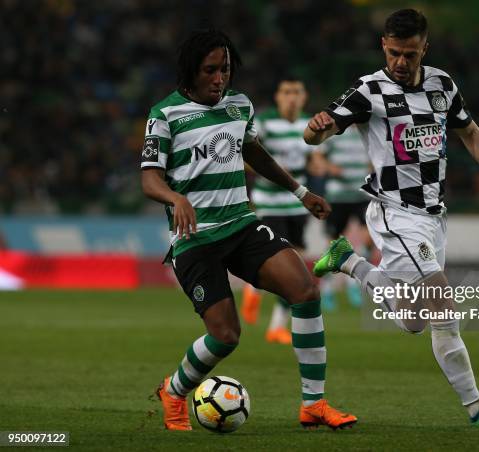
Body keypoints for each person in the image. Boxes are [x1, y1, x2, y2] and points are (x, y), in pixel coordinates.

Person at [304, 9, 479, 429]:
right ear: (383, 47)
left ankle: (348, 261)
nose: (401, 63)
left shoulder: (442, 84)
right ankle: (478, 408)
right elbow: (318, 131)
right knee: (444, 307)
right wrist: (316, 129)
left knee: (411, 320)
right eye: (393, 53)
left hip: (432, 217)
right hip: (394, 213)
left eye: (409, 54)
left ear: (425, 47)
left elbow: (470, 133)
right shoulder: (369, 90)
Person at [141, 29, 356, 431]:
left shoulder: (239, 105)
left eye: (225, 69)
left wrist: (300, 190)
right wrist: (176, 198)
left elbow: (253, 151)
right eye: (211, 70)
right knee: (226, 336)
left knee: (305, 290)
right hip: (195, 240)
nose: (220, 78)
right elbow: (149, 180)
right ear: (191, 70)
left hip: (241, 224)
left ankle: (313, 403)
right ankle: (173, 390)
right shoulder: (164, 114)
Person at [241, 76, 326, 344]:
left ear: (304, 97)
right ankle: (253, 290)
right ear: (278, 97)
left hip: (296, 202)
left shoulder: (306, 124)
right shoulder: (265, 122)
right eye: (286, 91)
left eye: (296, 92)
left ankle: (276, 327)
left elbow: (314, 159)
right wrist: (272, 173)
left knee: (297, 266)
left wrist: (318, 167)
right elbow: (248, 155)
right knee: (275, 259)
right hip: (269, 202)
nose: (291, 97)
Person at [318, 124, 373, 311]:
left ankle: (352, 283)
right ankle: (326, 290)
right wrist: (330, 167)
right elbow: (317, 156)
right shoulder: (334, 132)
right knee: (333, 245)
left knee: (372, 236)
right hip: (337, 195)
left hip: (362, 194)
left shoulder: (368, 131)